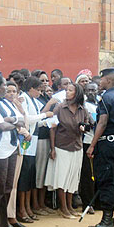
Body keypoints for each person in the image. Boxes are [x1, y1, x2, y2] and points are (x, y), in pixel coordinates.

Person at [86, 68, 114, 227]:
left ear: (108, 81)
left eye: (102, 79)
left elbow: (102, 122)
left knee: (106, 181)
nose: (99, 82)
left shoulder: (106, 97)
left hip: (107, 143)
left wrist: (92, 144)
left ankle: (106, 220)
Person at [45, 83, 89, 218]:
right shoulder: (60, 108)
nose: (67, 92)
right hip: (62, 146)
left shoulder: (83, 110)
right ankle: (63, 208)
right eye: (66, 90)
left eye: (70, 90)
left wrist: (84, 128)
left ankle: (69, 207)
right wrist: (52, 148)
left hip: (77, 146)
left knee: (72, 178)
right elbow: (53, 128)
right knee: (61, 178)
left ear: (77, 94)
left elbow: (88, 124)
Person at [0, 74, 24, 227]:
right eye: (4, 85)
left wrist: (13, 121)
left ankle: (3, 225)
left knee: (8, 187)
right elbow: (1, 126)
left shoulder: (4, 102)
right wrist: (14, 123)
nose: (7, 88)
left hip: (10, 148)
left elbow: (22, 120)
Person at [16, 77, 53, 223]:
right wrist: (45, 115)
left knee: (30, 177)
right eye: (37, 89)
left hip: (33, 142)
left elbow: (36, 121)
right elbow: (28, 119)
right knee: (24, 177)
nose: (39, 92)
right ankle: (22, 209)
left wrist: (47, 121)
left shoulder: (32, 100)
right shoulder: (24, 98)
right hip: (26, 143)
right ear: (30, 88)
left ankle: (27, 207)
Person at [5, 82, 30, 227]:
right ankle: (7, 217)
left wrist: (21, 109)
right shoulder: (3, 105)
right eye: (8, 91)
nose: (11, 94)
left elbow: (24, 122)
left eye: (14, 91)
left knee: (14, 184)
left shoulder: (15, 105)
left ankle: (11, 215)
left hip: (18, 147)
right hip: (8, 148)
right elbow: (15, 125)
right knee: (9, 185)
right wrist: (25, 132)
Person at [79, 82, 98, 213]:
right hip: (86, 142)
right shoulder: (83, 105)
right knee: (87, 175)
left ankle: (98, 201)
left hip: (99, 142)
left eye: (93, 90)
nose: (91, 92)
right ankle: (87, 203)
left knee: (97, 173)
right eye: (89, 90)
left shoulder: (101, 103)